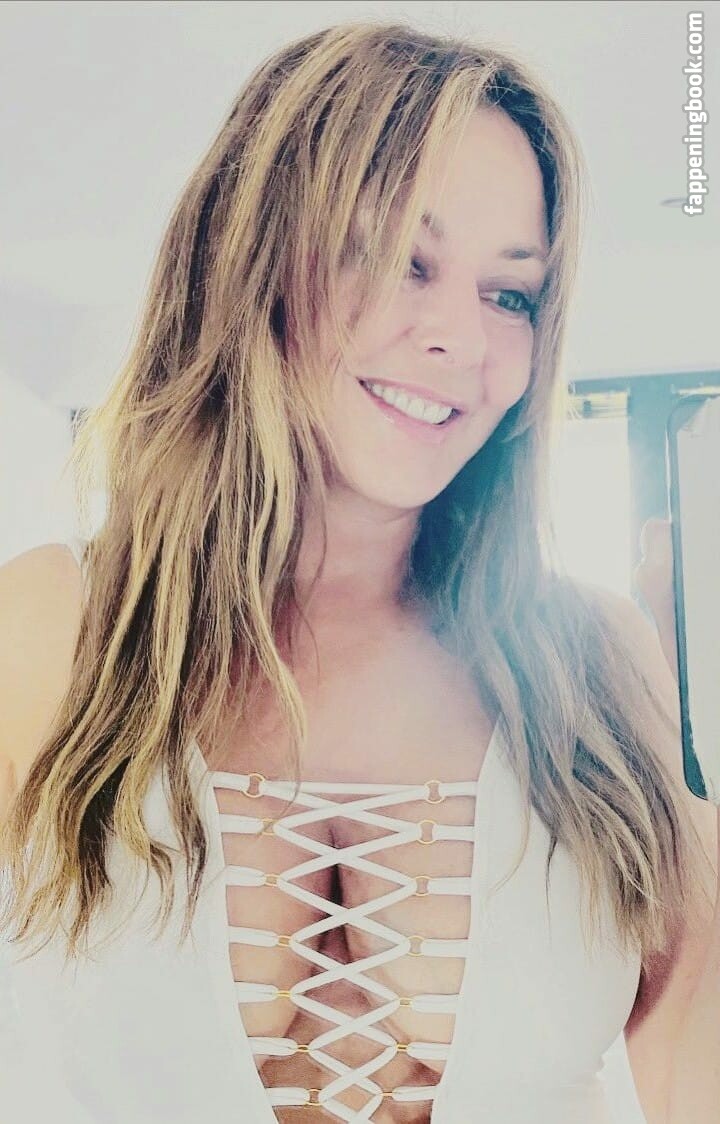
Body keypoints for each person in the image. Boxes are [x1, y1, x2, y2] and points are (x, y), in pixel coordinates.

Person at [0, 20, 717, 1124]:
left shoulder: (597, 662)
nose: (461, 341)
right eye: (399, 261)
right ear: (254, 260)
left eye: (511, 294)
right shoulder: (53, 627)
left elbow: (695, 1058)